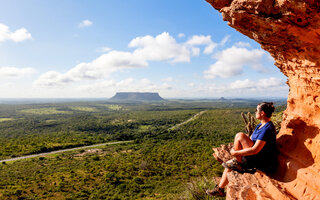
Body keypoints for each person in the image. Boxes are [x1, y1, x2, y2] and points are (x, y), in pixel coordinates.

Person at [206, 102, 278, 197]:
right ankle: (220, 189)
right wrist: (236, 148)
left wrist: (235, 152)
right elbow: (250, 139)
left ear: (262, 113)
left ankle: (238, 163)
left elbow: (255, 150)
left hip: (261, 160)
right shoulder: (260, 126)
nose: (255, 112)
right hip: (255, 156)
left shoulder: (267, 128)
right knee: (229, 165)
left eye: (257, 110)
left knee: (239, 135)